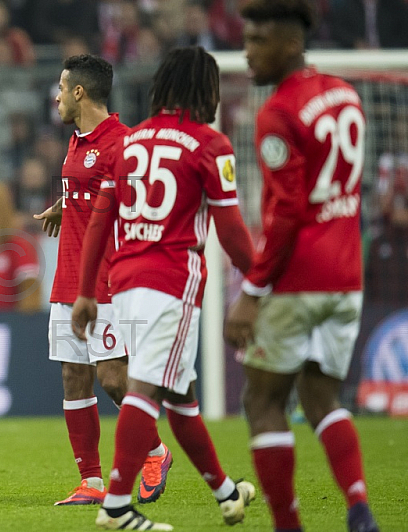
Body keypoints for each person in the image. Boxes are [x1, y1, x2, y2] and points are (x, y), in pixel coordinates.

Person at [72, 46, 257, 530]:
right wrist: (261, 283)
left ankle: (225, 493)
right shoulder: (209, 145)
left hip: (126, 281)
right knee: (146, 389)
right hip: (173, 281)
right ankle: (115, 505)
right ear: (204, 89)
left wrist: (88, 290)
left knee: (181, 396)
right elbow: (232, 232)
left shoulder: (131, 143)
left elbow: (100, 220)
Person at [225, 2, 379, 531]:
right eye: (246, 39)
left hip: (298, 278)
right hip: (347, 275)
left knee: (262, 398)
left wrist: (251, 290)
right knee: (321, 396)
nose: (248, 51)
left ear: (291, 44)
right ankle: (358, 507)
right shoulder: (346, 95)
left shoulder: (279, 112)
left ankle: (287, 525)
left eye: (258, 40)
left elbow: (287, 212)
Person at [34, 54, 172, 508]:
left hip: (110, 281)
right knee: (74, 378)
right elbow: (91, 192)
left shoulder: (125, 144)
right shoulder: (77, 141)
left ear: (79, 92)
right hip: (68, 278)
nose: (54, 96)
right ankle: (91, 481)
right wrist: (65, 205)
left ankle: (155, 452)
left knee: (113, 378)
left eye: (60, 87)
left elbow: (140, 208)